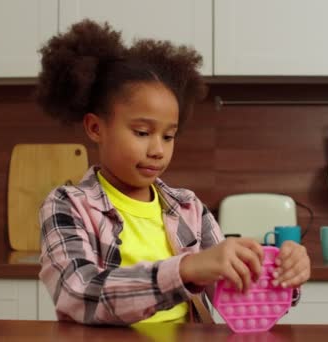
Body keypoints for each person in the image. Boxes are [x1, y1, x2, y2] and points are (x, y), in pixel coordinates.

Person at [36, 19, 311, 325]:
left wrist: (280, 274)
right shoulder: (68, 205)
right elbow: (78, 295)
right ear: (95, 127)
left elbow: (234, 293)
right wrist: (184, 269)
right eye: (142, 132)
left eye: (168, 136)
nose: (158, 149)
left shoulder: (188, 207)